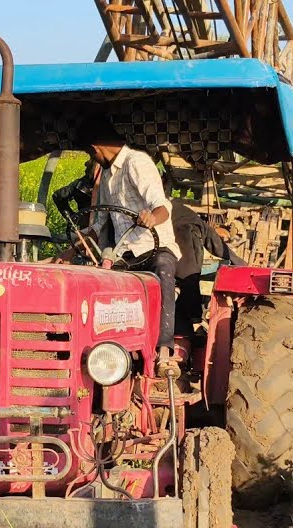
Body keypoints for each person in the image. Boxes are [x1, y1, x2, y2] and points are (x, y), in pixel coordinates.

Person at [80, 125, 184, 374]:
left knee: (163, 270)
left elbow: (161, 206)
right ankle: (104, 352)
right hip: (124, 253)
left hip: (153, 247)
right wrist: (80, 239)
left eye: (90, 154)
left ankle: (164, 351)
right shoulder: (106, 175)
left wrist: (151, 218)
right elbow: (101, 220)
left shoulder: (137, 162)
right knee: (98, 280)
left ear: (95, 149)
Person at [170, 201, 245, 335]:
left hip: (176, 234)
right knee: (188, 279)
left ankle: (191, 323)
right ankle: (191, 322)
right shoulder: (183, 214)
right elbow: (214, 244)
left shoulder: (181, 217)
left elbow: (214, 243)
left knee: (187, 278)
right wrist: (242, 267)